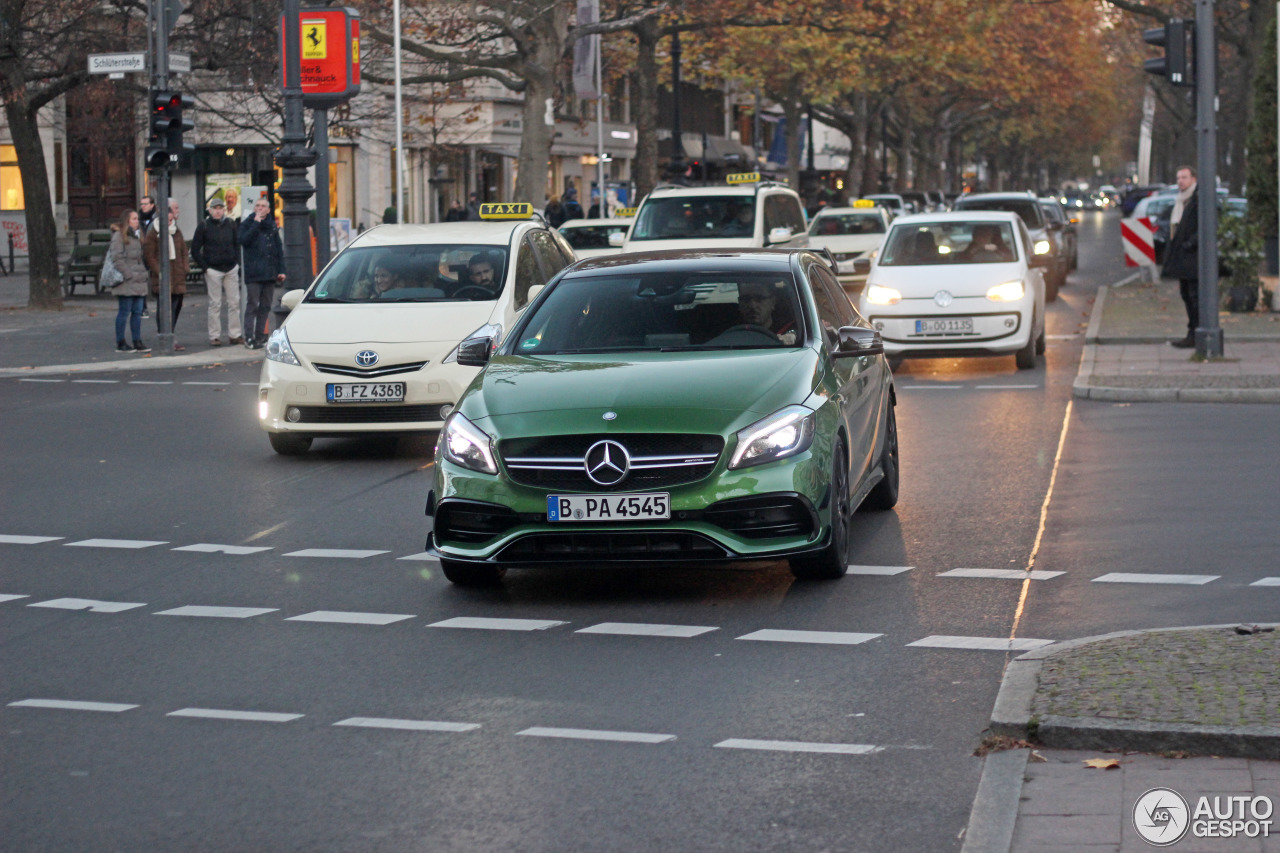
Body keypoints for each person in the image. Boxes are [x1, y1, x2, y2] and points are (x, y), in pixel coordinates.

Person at [191, 197, 243, 346]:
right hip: (213, 269)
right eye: (215, 208)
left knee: (234, 302)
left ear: (224, 210)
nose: (218, 211)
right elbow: (195, 249)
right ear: (210, 210)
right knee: (215, 304)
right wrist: (206, 268)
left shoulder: (231, 224)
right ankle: (214, 335)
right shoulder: (204, 226)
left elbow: (236, 244)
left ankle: (235, 334)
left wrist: (236, 262)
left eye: (220, 208)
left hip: (230, 267)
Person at [142, 199, 190, 350]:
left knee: (177, 305)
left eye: (171, 220)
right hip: (162, 277)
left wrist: (185, 268)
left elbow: (183, 251)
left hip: (177, 276)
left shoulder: (177, 231)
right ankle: (164, 334)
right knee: (164, 307)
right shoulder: (153, 233)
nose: (169, 223)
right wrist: (159, 271)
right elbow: (150, 256)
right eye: (167, 220)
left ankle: (172, 333)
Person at [239, 197, 286, 349]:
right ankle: (249, 337)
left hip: (269, 272)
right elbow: (243, 240)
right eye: (257, 206)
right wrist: (255, 223)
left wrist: (281, 270)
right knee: (252, 304)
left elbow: (278, 248)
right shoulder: (248, 223)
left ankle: (260, 336)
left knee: (265, 306)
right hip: (253, 272)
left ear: (268, 209)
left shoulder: (271, 225)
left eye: (263, 206)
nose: (260, 208)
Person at [1162, 165, 1200, 349]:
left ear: (1193, 179)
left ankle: (1197, 334)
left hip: (1193, 257)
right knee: (1186, 294)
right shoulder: (1180, 200)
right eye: (1178, 178)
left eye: (1184, 177)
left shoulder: (1197, 198)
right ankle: (1192, 333)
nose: (1180, 181)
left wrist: (1191, 243)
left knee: (1194, 296)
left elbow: (1205, 226)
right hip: (1183, 256)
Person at [107, 209, 151, 353]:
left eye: (137, 219)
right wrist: (128, 274)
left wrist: (143, 274)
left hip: (138, 279)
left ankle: (137, 340)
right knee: (124, 311)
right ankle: (121, 342)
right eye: (134, 219)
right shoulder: (119, 236)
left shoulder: (137, 236)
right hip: (128, 279)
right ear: (127, 221)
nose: (137, 221)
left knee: (138, 311)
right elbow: (116, 257)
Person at [137, 195, 158, 318]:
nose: (143, 206)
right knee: (142, 281)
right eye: (141, 204)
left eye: (145, 204)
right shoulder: (137, 219)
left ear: (152, 205)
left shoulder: (156, 219)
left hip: (154, 253)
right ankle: (143, 307)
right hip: (142, 254)